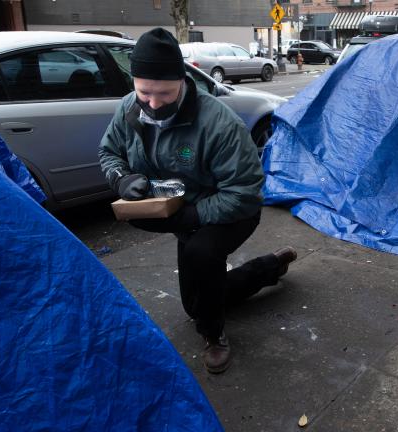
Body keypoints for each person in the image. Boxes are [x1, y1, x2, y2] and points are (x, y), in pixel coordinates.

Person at [98, 28, 297, 374]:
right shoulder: (129, 109)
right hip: (181, 211)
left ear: (183, 80)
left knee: (202, 254)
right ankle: (269, 268)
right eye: (145, 92)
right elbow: (109, 152)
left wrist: (191, 216)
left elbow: (246, 192)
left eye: (164, 93)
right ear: (134, 82)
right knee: (195, 303)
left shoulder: (219, 123)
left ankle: (214, 334)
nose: (153, 103)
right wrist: (122, 178)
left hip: (233, 211)